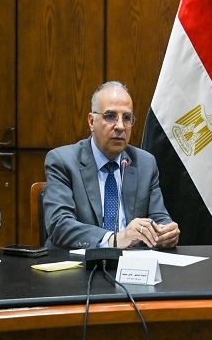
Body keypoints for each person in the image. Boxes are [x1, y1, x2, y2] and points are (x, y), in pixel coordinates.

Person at [43, 81, 180, 249]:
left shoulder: (145, 163)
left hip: (132, 262)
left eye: (127, 118)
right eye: (110, 116)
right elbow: (59, 224)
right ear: (91, 121)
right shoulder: (62, 161)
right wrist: (114, 239)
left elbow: (159, 217)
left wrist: (165, 232)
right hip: (78, 261)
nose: (120, 126)